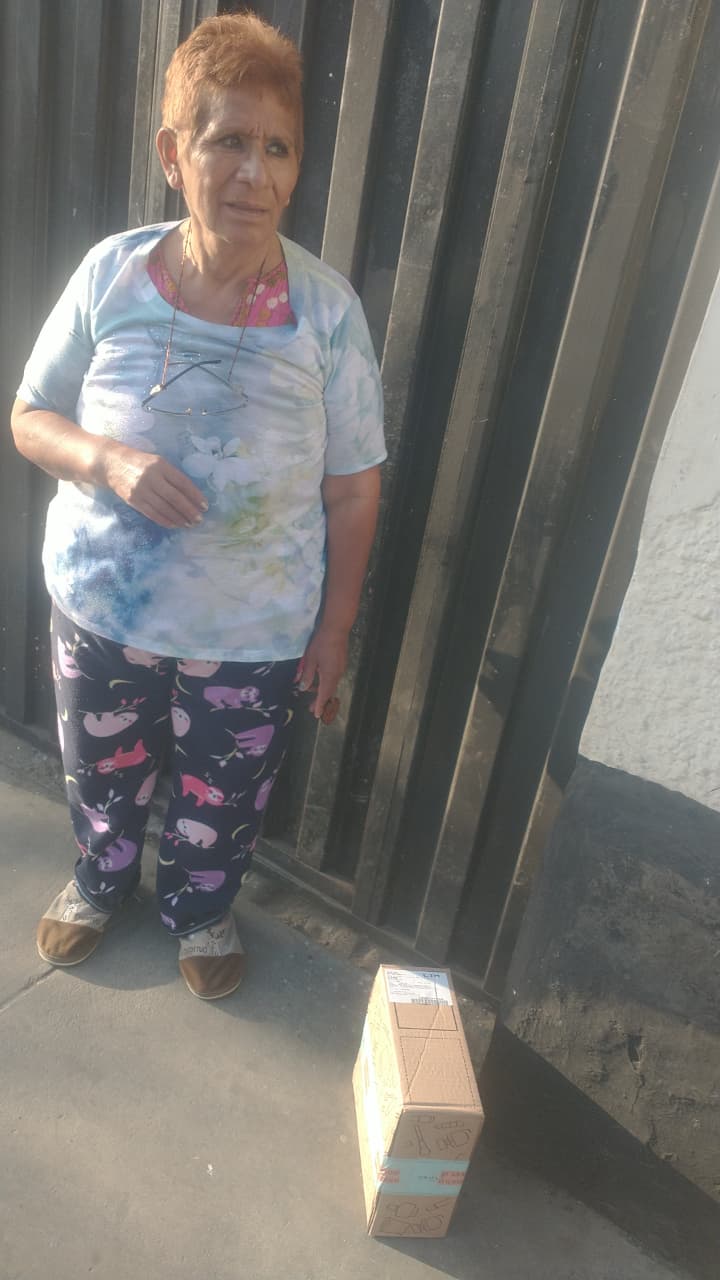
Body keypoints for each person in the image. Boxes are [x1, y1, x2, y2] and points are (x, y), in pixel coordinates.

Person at [10, 12, 385, 1000]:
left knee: (226, 791)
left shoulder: (328, 314)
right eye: (228, 141)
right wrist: (107, 461)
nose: (254, 173)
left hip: (254, 631)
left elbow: (354, 487)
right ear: (174, 154)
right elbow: (29, 417)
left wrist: (334, 627)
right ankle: (99, 879)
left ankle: (200, 905)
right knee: (100, 768)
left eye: (278, 147)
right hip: (106, 608)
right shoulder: (111, 274)